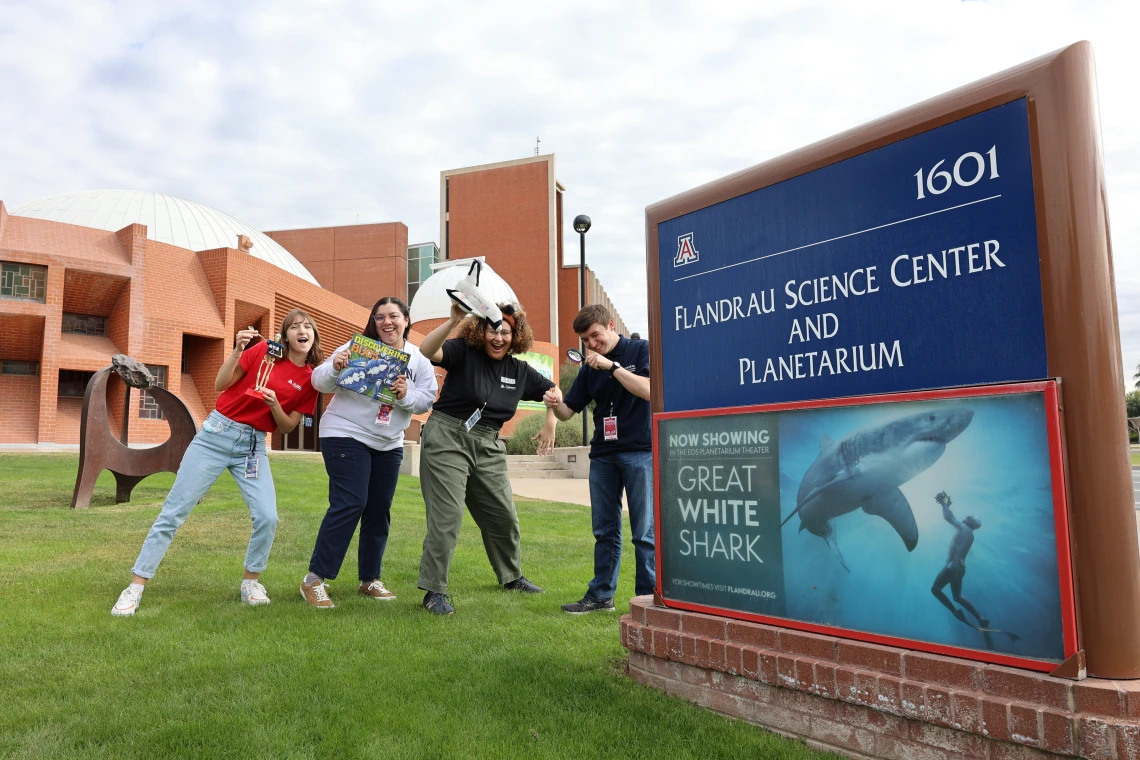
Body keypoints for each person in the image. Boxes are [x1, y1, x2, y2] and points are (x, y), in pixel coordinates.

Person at [111, 310, 323, 616]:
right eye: (295, 327)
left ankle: (251, 582)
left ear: (314, 335)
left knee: (267, 517)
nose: (302, 331)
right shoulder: (264, 351)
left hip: (253, 446)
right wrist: (238, 350)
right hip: (216, 435)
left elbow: (288, 426)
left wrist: (275, 404)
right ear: (286, 335)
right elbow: (220, 383)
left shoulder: (310, 380)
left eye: (307, 327)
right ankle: (135, 586)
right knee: (174, 511)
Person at [415, 300, 561, 615]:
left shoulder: (519, 370)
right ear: (480, 331)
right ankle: (434, 591)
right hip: (448, 437)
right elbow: (427, 350)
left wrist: (550, 421)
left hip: (489, 444)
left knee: (504, 515)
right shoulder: (462, 352)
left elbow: (553, 391)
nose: (498, 337)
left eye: (505, 332)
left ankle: (512, 576)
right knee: (447, 516)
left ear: (515, 336)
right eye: (492, 330)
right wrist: (453, 319)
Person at [300, 297, 437, 608]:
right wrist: (335, 367)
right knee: (351, 502)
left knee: (378, 509)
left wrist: (405, 395)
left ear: (406, 320)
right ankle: (314, 580)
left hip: (388, 442)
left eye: (393, 316)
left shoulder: (418, 359)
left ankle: (370, 579)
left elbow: (427, 399)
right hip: (345, 432)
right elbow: (318, 381)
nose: (387, 322)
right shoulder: (358, 347)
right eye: (380, 317)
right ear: (373, 322)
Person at [545, 305, 654, 614]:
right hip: (603, 455)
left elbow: (649, 390)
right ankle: (601, 596)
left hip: (640, 451)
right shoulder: (588, 368)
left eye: (595, 336)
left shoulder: (640, 350)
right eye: (585, 340)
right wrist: (555, 403)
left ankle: (648, 599)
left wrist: (612, 367)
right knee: (605, 530)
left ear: (610, 325)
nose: (591, 344)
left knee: (644, 531)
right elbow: (568, 412)